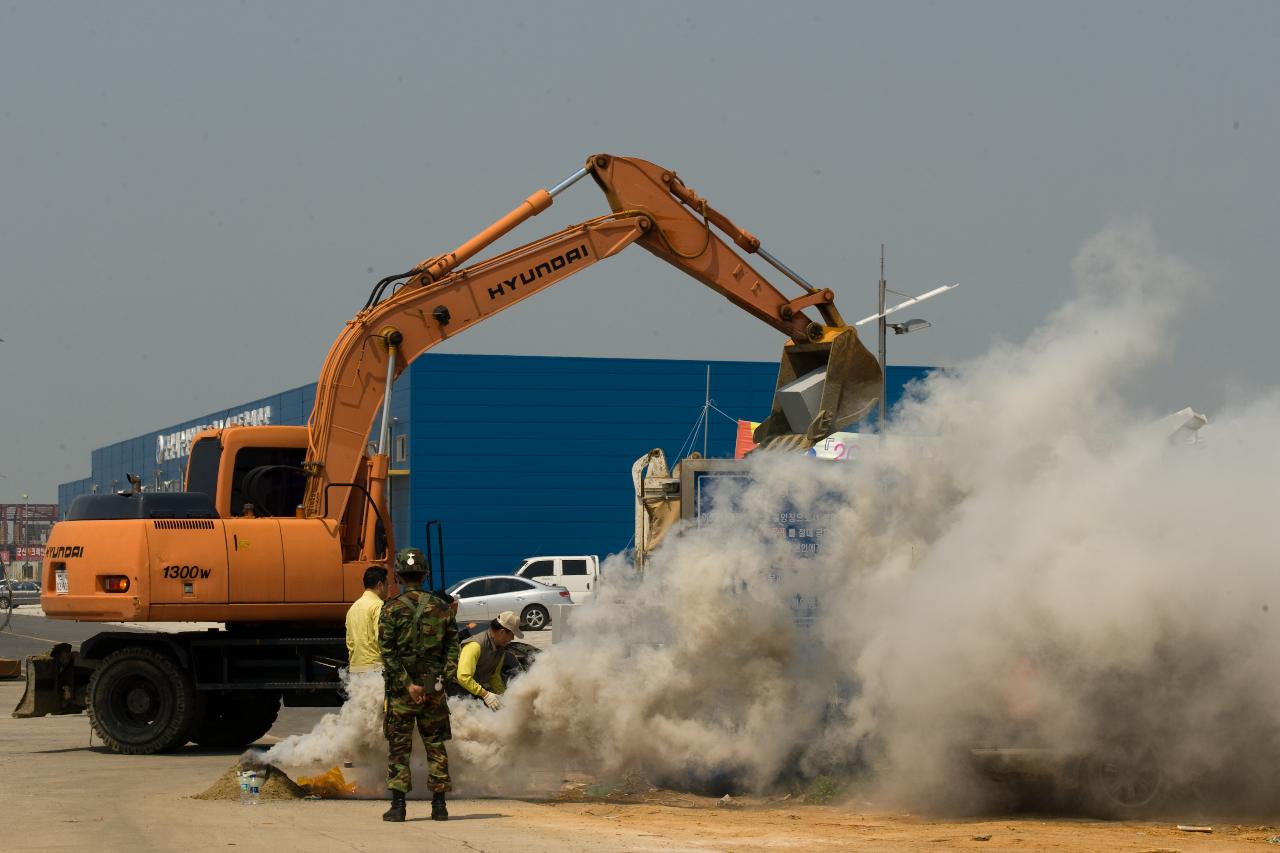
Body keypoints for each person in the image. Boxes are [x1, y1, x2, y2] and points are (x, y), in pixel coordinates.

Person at [379, 548, 460, 822]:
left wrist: (408, 685)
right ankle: (439, 807)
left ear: (398, 576)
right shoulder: (442, 607)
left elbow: (387, 653)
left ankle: (399, 807)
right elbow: (453, 648)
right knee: (436, 745)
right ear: (424, 575)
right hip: (433, 690)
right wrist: (436, 684)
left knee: (399, 749)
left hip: (403, 693)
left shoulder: (390, 609)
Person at [456, 610, 522, 711]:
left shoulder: (500, 649)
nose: (512, 638)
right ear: (502, 632)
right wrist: (486, 695)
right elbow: (463, 677)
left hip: (476, 690)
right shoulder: (475, 646)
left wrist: (503, 696)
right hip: (458, 691)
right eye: (512, 634)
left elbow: (494, 676)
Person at [345, 566, 388, 675]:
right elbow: (382, 638)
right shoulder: (378, 606)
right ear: (380, 585)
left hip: (355, 669)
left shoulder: (353, 608)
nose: (389, 588)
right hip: (374, 669)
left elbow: (349, 642)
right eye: (387, 584)